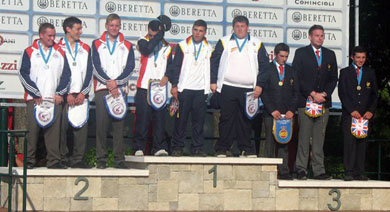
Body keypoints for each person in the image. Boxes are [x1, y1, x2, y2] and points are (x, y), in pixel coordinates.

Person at [211, 15, 270, 157]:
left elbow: (264, 66)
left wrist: (260, 85)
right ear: (233, 27)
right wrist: (213, 81)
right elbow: (214, 62)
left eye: (243, 26)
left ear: (248, 28)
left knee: (246, 119)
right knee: (226, 119)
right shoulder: (224, 42)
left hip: (249, 89)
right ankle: (223, 148)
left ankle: (245, 148)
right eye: (237, 26)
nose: (240, 29)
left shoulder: (257, 43)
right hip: (227, 86)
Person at [19, 23, 71, 169]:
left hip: (53, 99)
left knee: (53, 133)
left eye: (54, 35)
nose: (52, 38)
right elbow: (23, 74)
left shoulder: (60, 52)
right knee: (33, 132)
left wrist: (60, 93)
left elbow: (66, 75)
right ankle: (29, 161)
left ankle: (53, 161)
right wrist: (34, 93)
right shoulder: (29, 51)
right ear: (41, 35)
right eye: (49, 35)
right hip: (35, 99)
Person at [293, 25, 338, 180]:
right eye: (317, 35)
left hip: (323, 103)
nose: (320, 38)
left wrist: (324, 94)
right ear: (310, 37)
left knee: (319, 138)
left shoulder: (330, 54)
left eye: (322, 35)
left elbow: (333, 78)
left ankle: (319, 170)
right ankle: (301, 169)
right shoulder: (301, 53)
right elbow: (297, 77)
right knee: (304, 137)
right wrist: (312, 93)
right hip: (306, 101)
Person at [92, 14, 135, 168]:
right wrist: (109, 84)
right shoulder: (96, 44)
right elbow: (96, 67)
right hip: (102, 89)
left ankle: (119, 159)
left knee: (119, 125)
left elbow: (130, 68)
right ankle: (101, 159)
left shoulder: (128, 45)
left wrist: (117, 83)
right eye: (111, 25)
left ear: (120, 26)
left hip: (120, 89)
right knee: (101, 125)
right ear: (106, 26)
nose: (114, 28)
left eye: (117, 25)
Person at [168, 19, 212, 156]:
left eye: (200, 31)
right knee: (181, 120)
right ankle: (177, 147)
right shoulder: (182, 46)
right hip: (184, 88)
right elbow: (175, 67)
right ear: (192, 30)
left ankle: (197, 148)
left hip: (201, 89)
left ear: (205, 32)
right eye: (195, 30)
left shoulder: (209, 48)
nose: (197, 33)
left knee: (198, 121)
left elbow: (213, 69)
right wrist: (174, 85)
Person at [133, 19, 172, 156]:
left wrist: (167, 76)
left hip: (159, 87)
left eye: (157, 29)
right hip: (144, 86)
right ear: (149, 29)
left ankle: (159, 147)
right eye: (153, 29)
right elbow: (148, 49)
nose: (154, 32)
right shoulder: (142, 41)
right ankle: (139, 147)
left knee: (159, 118)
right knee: (143, 118)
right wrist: (159, 36)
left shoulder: (166, 46)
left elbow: (171, 66)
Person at [338, 46, 378, 181]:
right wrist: (351, 110)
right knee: (349, 143)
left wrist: (370, 111)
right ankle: (348, 171)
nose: (361, 60)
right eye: (358, 57)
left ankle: (359, 171)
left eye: (363, 58)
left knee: (362, 143)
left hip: (365, 115)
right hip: (350, 114)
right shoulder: (345, 72)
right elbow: (342, 93)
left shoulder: (370, 72)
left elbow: (374, 95)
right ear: (352, 57)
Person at [58, 17, 93, 168]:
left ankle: (78, 159)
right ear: (68, 29)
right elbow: (56, 73)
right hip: (64, 95)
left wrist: (83, 93)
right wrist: (65, 94)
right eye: (78, 29)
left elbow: (90, 72)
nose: (81, 32)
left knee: (80, 129)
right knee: (60, 129)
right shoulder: (57, 48)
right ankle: (62, 158)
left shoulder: (85, 48)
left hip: (80, 95)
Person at [261, 43, 298, 179]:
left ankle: (284, 171)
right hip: (271, 113)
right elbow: (263, 91)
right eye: (281, 56)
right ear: (275, 55)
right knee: (270, 142)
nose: (284, 59)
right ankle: (268, 171)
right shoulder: (267, 69)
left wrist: (291, 110)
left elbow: (296, 93)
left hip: (287, 114)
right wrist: (271, 110)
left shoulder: (291, 71)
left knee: (284, 141)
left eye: (286, 56)